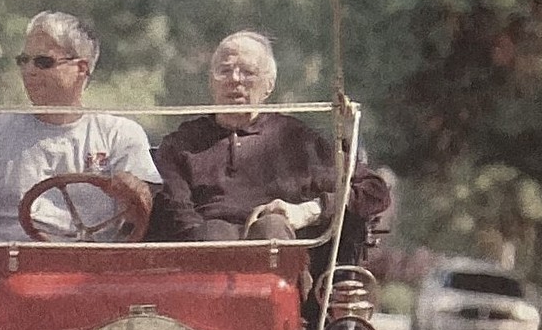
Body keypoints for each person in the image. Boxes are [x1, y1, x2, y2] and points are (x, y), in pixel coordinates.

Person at [0, 11, 161, 267]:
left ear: (81, 69)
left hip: (95, 275)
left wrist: (135, 191)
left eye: (43, 62)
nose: (29, 71)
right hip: (10, 276)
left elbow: (146, 217)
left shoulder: (121, 134)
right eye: (23, 61)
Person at [148, 30, 389, 254]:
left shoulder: (295, 140)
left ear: (269, 85)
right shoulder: (181, 144)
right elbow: (176, 213)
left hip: (279, 271)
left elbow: (374, 191)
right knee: (214, 232)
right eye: (224, 70)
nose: (235, 80)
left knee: (272, 228)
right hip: (206, 267)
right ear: (211, 82)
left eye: (248, 72)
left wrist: (308, 211)